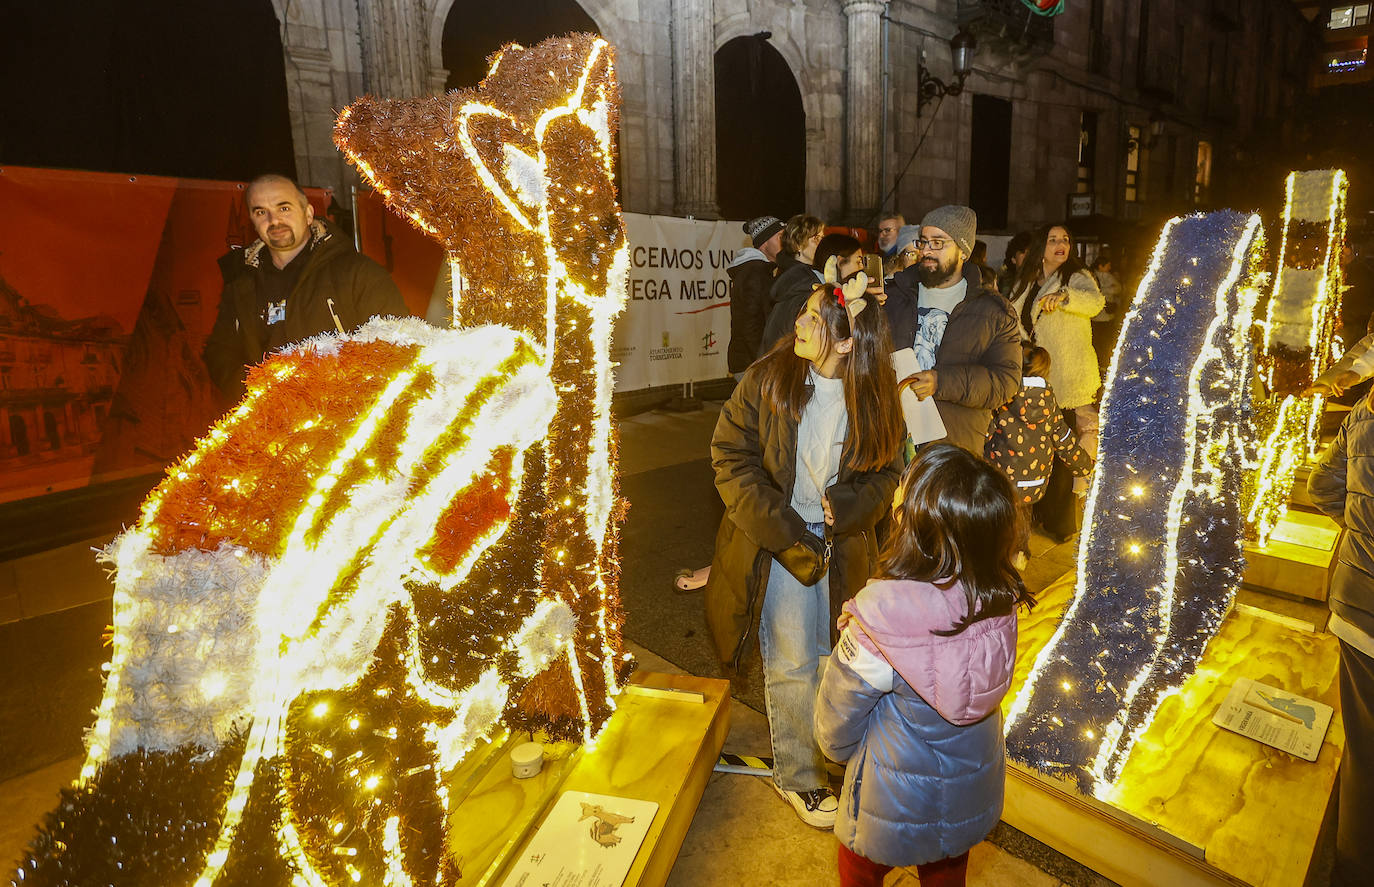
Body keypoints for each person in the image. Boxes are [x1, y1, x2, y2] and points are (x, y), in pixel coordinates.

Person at [705, 271, 904, 829]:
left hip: (843, 546)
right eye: (803, 312)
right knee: (791, 661)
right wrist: (783, 526)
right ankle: (798, 778)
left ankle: (833, 756)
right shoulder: (769, 377)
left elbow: (889, 471)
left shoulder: (877, 392)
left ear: (846, 342)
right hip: (780, 537)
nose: (798, 322)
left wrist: (852, 507)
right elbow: (730, 456)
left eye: (813, 318)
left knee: (836, 657)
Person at [814, 443, 1032, 887]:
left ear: (914, 528)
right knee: (948, 865)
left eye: (903, 498)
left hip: (893, 797)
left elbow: (836, 720)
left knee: (860, 868)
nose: (895, 500)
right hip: (970, 785)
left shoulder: (881, 619)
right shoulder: (1000, 599)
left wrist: (839, 756)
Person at [204, 174, 406, 400]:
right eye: (261, 212)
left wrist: (340, 396)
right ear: (252, 220)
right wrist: (254, 392)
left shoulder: (358, 274)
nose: (274, 220)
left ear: (308, 214)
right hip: (272, 424)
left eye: (284, 208)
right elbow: (220, 351)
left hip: (345, 421)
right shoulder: (242, 284)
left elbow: (397, 347)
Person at [883, 205, 1021, 455]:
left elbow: (1006, 381)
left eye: (938, 243)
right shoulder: (894, 294)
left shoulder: (994, 311)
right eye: (923, 241)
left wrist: (941, 381)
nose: (926, 250)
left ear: (963, 251)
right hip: (890, 441)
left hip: (952, 446)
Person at [1306, 393, 1374, 887]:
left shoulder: (1368, 408)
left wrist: (1360, 539)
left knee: (1364, 750)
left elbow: (1323, 485)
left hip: (1358, 608)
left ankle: (1354, 866)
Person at [1008, 224, 1104, 543]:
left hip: (1068, 380)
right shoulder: (1028, 277)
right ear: (1041, 246)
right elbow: (1014, 315)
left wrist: (1064, 296)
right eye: (1053, 240)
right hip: (1036, 375)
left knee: (1065, 453)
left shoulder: (1075, 276)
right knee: (1038, 446)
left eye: (1065, 239)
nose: (1061, 244)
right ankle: (1040, 512)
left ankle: (1062, 524)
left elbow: (1094, 302)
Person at [985, 344, 1094, 568]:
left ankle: (995, 556)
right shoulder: (1049, 405)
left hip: (1000, 479)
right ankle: (1019, 554)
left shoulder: (1002, 400)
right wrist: (1084, 466)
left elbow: (984, 432)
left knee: (998, 518)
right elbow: (1064, 439)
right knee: (1022, 516)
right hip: (1033, 482)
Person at [760, 232, 865, 357]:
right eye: (858, 261)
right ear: (839, 262)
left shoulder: (806, 287)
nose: (861, 268)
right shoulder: (810, 296)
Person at [727, 215, 785, 376]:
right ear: (764, 242)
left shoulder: (760, 271)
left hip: (750, 361)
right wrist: (764, 362)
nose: (785, 242)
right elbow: (750, 324)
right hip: (751, 364)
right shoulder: (755, 273)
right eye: (780, 237)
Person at [1089, 253, 1123, 372]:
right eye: (1107, 265)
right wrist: (1108, 290)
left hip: (1104, 315)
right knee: (1101, 341)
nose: (1109, 267)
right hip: (1099, 315)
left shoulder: (1107, 276)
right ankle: (1100, 363)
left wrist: (1103, 291)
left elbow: (1118, 288)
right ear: (1100, 266)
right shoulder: (1091, 277)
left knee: (1101, 341)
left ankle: (1101, 363)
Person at [996, 230, 1032, 298]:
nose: (1027, 257)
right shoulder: (1003, 282)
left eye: (1031, 253)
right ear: (1013, 259)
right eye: (1023, 252)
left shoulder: (1039, 282)